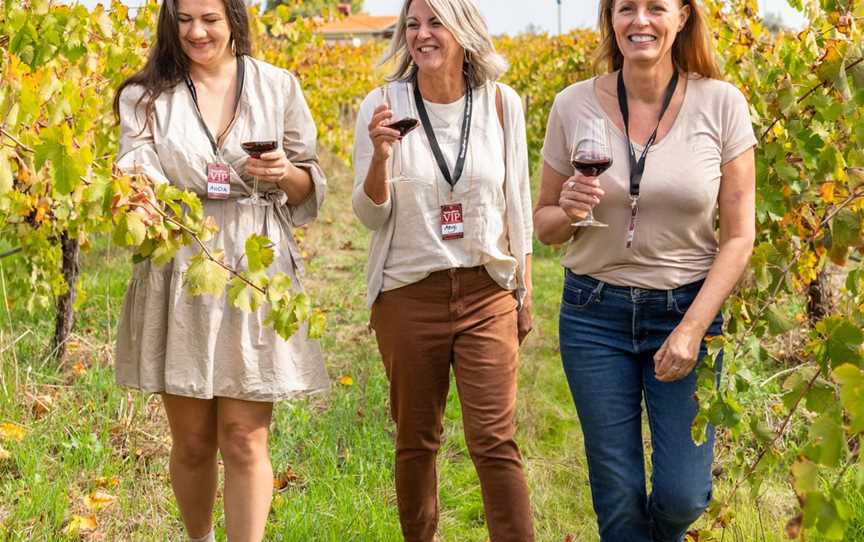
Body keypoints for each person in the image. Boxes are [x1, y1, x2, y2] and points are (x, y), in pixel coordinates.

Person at [534, 0, 756, 540]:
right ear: (610, 19)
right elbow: (544, 226)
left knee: (683, 495)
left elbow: (740, 235)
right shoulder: (572, 105)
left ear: (682, 17)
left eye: (655, 7)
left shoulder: (721, 104)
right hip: (594, 315)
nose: (640, 20)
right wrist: (567, 209)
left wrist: (693, 329)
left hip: (685, 311)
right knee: (617, 494)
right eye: (625, 7)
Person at [112, 0, 328, 540]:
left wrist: (283, 173)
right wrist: (134, 198)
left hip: (256, 267)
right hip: (182, 264)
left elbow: (309, 186)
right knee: (191, 442)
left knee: (244, 436)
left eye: (208, 18)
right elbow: (132, 175)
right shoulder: (145, 97)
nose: (196, 31)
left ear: (234, 19)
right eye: (184, 19)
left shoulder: (277, 86)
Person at [351, 0, 535, 540]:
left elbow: (516, 203)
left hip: (485, 292)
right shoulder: (382, 104)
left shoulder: (501, 104)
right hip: (409, 294)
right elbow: (369, 215)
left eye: (436, 22)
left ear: (464, 29)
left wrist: (523, 291)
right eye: (413, 24)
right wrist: (382, 157)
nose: (422, 35)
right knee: (416, 439)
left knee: (495, 441)